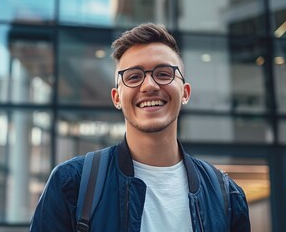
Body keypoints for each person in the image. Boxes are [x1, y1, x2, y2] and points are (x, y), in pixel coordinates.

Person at [30, 23, 250, 232]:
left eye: (164, 73)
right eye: (134, 77)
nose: (150, 85)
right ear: (117, 98)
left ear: (185, 93)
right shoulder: (72, 184)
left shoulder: (227, 196)